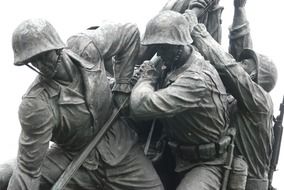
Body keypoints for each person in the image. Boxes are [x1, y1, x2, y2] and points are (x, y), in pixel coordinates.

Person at [4, 18, 163, 190]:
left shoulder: (87, 46)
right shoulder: (35, 104)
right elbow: (28, 170)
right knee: (5, 175)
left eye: (44, 55)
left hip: (120, 146)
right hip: (74, 159)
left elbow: (129, 33)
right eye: (34, 60)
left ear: (57, 47)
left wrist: (121, 87)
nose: (42, 65)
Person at [130, 10, 231, 190]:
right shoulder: (172, 62)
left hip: (205, 164)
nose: (159, 54)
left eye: (163, 47)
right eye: (157, 47)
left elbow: (141, 106)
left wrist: (146, 79)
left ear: (178, 46)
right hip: (172, 153)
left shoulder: (197, 79)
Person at [187, 0, 278, 189]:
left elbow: (229, 68)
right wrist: (239, 8)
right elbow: (238, 44)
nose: (240, 62)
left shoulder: (260, 101)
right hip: (227, 173)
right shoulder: (240, 98)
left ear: (253, 75)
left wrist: (196, 30)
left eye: (245, 63)